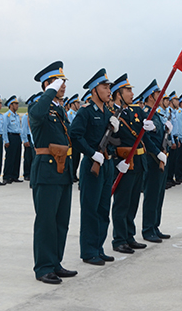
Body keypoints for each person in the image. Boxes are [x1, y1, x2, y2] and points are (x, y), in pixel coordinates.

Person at [29, 61, 76, 284]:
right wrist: (50, 90)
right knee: (46, 221)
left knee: (61, 221)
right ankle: (43, 267)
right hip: (46, 171)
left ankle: (55, 263)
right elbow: (37, 114)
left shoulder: (59, 109)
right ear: (47, 85)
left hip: (62, 170)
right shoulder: (39, 107)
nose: (63, 85)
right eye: (59, 82)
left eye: (64, 81)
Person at [69, 68, 118, 266]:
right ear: (93, 91)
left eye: (109, 87)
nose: (108, 90)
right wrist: (91, 153)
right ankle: (89, 251)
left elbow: (110, 139)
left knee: (103, 208)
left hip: (105, 164)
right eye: (104, 87)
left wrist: (116, 129)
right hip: (92, 165)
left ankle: (98, 247)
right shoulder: (85, 112)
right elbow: (75, 135)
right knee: (90, 209)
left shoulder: (107, 112)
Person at [110, 74, 156, 254]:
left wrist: (154, 127)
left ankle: (129, 236)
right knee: (122, 203)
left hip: (138, 162)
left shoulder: (135, 111)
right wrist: (116, 159)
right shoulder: (113, 113)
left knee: (133, 202)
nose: (132, 93)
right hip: (123, 162)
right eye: (128, 90)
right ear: (118, 94)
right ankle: (119, 239)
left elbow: (149, 130)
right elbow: (109, 139)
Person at [137, 79, 170, 243]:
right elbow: (147, 138)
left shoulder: (156, 113)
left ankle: (155, 226)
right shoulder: (146, 113)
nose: (161, 96)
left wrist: (165, 129)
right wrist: (158, 153)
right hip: (152, 159)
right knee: (151, 195)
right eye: (158, 94)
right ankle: (148, 229)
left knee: (159, 195)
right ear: (151, 96)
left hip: (161, 158)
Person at [3, 95, 23, 183]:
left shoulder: (16, 116)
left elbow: (19, 128)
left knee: (17, 157)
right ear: (10, 105)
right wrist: (6, 140)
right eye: (15, 104)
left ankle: (15, 176)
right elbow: (4, 129)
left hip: (17, 137)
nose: (17, 106)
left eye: (17, 104)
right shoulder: (7, 116)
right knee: (10, 158)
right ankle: (7, 176)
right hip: (10, 136)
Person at [21, 93, 40, 181]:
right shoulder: (26, 117)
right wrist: (25, 139)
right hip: (30, 138)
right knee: (30, 159)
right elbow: (24, 129)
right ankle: (28, 175)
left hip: (35, 138)